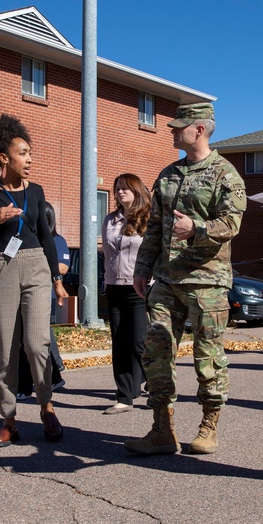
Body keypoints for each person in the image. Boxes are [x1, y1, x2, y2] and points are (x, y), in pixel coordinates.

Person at [124, 102, 246, 456]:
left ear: (200, 130)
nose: (173, 131)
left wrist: (196, 228)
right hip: (165, 281)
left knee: (207, 357)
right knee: (157, 354)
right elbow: (155, 228)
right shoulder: (168, 175)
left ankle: (209, 426)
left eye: (180, 126)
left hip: (207, 282)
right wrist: (143, 268)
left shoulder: (226, 175)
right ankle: (162, 430)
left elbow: (231, 225)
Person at [0, 113, 68, 447]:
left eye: (30, 153)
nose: (29, 159)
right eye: (23, 153)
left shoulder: (36, 192)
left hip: (37, 267)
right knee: (7, 353)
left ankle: (47, 408)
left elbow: (45, 235)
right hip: (3, 269)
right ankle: (9, 420)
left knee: (37, 344)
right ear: (4, 158)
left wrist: (56, 279)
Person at [102, 173, 152, 414]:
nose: (120, 192)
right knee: (119, 343)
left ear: (137, 191)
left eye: (125, 189)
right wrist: (106, 281)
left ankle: (154, 381)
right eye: (117, 189)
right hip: (114, 287)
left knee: (138, 342)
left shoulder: (148, 218)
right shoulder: (110, 220)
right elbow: (108, 255)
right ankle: (124, 396)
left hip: (140, 288)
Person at [16, 202, 69, 399]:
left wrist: (37, 266)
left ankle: (25, 386)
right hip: (21, 293)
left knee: (34, 339)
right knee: (30, 339)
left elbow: (62, 267)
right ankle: (53, 378)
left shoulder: (56, 240)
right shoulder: (23, 239)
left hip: (44, 295)